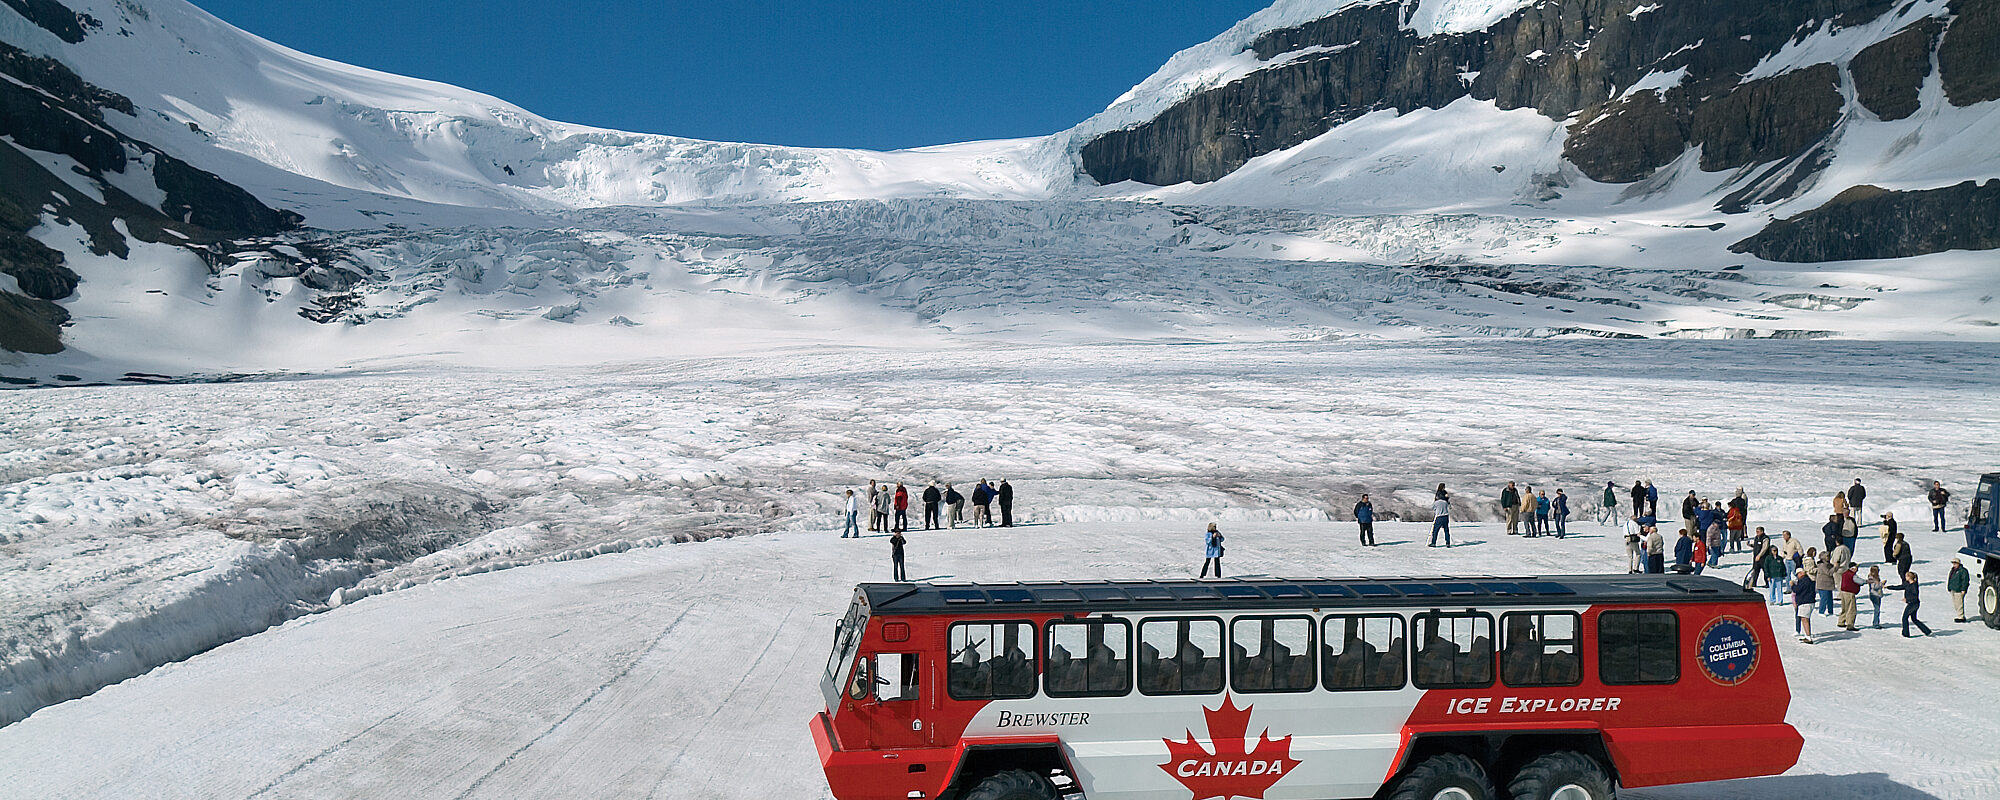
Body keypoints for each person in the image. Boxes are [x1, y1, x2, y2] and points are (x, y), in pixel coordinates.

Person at [1884, 571, 1934, 637]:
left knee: (1904, 618)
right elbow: (1899, 587)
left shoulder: (1914, 586)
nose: (1905, 578)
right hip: (1912, 603)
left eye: (1906, 576)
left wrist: (1907, 599)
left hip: (1913, 604)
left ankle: (1906, 633)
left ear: (1909, 577)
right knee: (1914, 619)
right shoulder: (1907, 584)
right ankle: (1927, 631)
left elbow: (1915, 596)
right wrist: (1888, 587)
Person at [1792, 567, 1817, 643]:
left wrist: (1792, 585)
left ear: (1801, 573)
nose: (1797, 576)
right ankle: (1807, 635)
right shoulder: (1808, 580)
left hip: (1805, 603)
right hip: (1808, 602)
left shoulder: (1803, 581)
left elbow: (1797, 590)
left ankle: (1808, 636)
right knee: (1805, 619)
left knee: (1805, 619)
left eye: (1798, 574)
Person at [1836, 562, 1860, 631]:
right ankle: (1850, 624)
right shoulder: (1852, 575)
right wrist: (1867, 581)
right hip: (1849, 593)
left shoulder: (1845, 573)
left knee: (1844, 607)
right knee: (1851, 609)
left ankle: (1841, 621)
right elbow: (1860, 581)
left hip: (1843, 592)